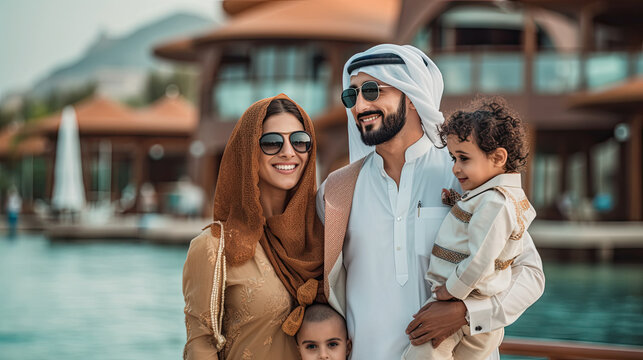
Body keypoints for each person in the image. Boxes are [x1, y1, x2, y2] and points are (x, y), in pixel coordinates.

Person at [316, 44, 545, 359]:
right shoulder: (337, 190)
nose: (360, 105)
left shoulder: (464, 176)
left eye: (372, 91)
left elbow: (530, 273)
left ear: (410, 95)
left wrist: (467, 312)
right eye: (351, 95)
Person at [182, 94, 324, 359]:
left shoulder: (325, 237)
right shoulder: (214, 247)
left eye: (299, 141)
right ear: (247, 152)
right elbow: (200, 347)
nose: (288, 152)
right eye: (271, 142)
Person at [402, 97, 537, 360]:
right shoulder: (487, 197)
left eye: (463, 158)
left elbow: (480, 260)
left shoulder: (494, 202)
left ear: (498, 157)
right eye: (453, 158)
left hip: (461, 301)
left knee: (421, 354)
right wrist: (454, 201)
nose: (455, 168)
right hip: (479, 314)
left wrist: (451, 292)